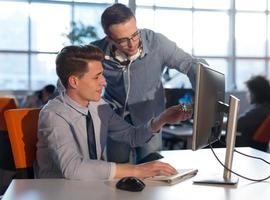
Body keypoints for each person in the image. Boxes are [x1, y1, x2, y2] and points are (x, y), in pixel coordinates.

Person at [35, 44, 193, 180]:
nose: (104, 82)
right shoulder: (53, 114)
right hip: (58, 191)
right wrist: (136, 170)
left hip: (91, 187)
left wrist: (162, 119)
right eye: (97, 77)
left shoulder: (98, 106)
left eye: (102, 75)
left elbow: (132, 136)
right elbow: (73, 168)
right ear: (74, 81)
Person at [91, 3, 207, 163]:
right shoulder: (96, 51)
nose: (132, 44)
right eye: (123, 40)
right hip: (115, 121)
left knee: (152, 169)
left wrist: (205, 86)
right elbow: (70, 77)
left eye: (134, 35)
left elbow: (189, 64)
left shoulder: (157, 42)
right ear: (109, 38)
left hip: (151, 119)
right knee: (117, 171)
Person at [236, 75, 270, 150]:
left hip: (246, 149)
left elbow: (234, 125)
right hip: (255, 149)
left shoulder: (258, 112)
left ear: (255, 93)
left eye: (249, 91)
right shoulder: (268, 109)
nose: (247, 95)